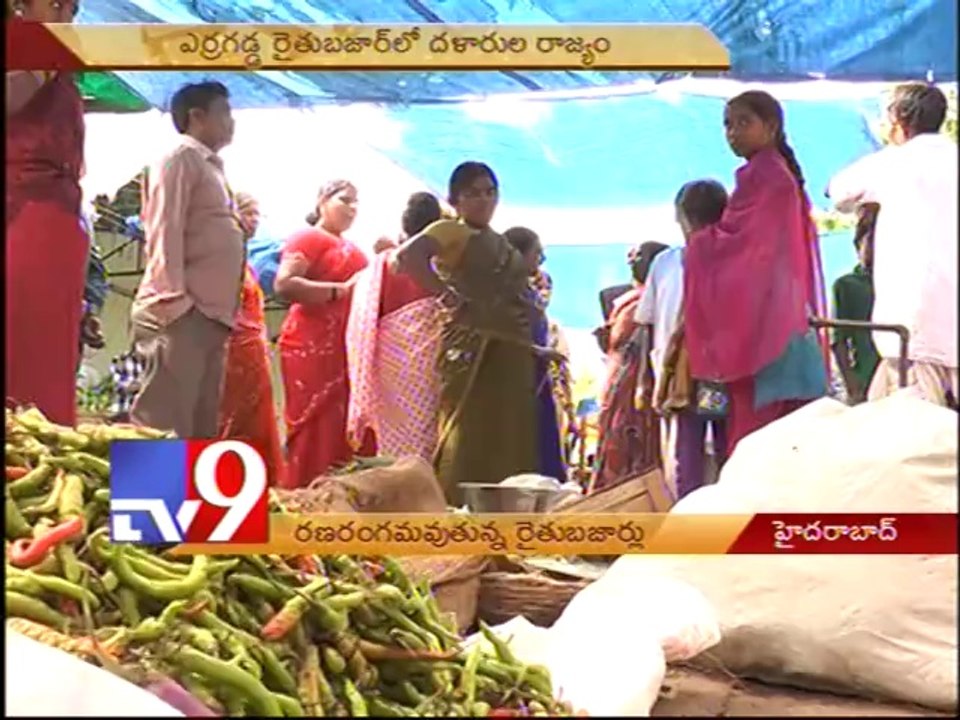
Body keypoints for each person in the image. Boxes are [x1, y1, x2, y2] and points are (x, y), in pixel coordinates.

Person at [683, 90, 829, 455]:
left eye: (744, 123)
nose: (733, 132)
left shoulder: (769, 178)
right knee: (784, 443)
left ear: (772, 126)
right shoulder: (768, 175)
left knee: (758, 444)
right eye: (727, 125)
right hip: (782, 324)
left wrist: (700, 243)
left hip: (769, 330)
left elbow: (748, 251)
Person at [396, 161, 550, 504]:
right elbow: (409, 256)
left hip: (513, 354)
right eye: (473, 193)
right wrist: (446, 294)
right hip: (473, 351)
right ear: (456, 199)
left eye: (490, 192)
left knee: (511, 434)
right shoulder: (452, 231)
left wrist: (538, 349)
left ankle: (508, 518)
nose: (484, 200)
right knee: (466, 436)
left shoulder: (498, 240)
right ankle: (456, 514)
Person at [827, 83, 957, 408]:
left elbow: (837, 192)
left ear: (897, 119)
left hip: (914, 333)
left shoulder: (892, 162)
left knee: (908, 443)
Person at [130, 81, 245, 439]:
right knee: (160, 426)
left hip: (208, 317)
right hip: (179, 314)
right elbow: (165, 226)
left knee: (198, 428)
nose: (232, 121)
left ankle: (187, 497)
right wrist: (173, 301)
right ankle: (148, 497)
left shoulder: (210, 166)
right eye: (224, 112)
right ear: (197, 117)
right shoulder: (181, 157)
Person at [6, 0, 87, 425]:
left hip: (58, 215)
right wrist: (41, 64)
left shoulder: (59, 60)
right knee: (24, 339)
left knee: (52, 347)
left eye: (72, 8)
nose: (66, 16)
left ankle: (47, 449)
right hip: (25, 209)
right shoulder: (29, 47)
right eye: (55, 4)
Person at [275, 180, 373, 487]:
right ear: (322, 201)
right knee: (316, 424)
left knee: (346, 422)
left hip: (348, 348)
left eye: (357, 202)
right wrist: (339, 291)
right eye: (345, 200)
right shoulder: (307, 237)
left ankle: (344, 497)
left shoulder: (357, 250)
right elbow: (284, 285)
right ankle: (305, 494)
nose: (352, 208)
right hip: (310, 344)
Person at [643, 181, 730, 500]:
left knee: (688, 452)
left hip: (696, 379)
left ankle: (690, 522)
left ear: (682, 217)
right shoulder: (669, 261)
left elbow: (655, 326)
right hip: (710, 378)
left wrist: (654, 380)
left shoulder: (671, 262)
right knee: (714, 447)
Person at [346, 191, 444, 462]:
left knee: (395, 437)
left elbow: (366, 320)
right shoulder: (442, 266)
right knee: (430, 434)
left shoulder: (380, 266)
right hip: (431, 365)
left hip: (390, 363)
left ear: (404, 225)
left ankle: (397, 488)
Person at [217, 193, 287, 487]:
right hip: (227, 353)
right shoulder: (216, 252)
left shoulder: (247, 262)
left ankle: (250, 490)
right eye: (249, 212)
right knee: (225, 423)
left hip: (250, 356)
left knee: (251, 423)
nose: (254, 221)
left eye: (258, 214)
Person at [592, 242, 668, 492]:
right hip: (627, 387)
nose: (635, 262)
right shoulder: (628, 301)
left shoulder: (643, 302)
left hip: (639, 386)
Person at [503, 226, 566, 481]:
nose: (541, 260)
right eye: (536, 253)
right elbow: (501, 337)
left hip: (536, 377)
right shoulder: (504, 291)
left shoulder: (525, 288)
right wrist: (540, 352)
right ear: (517, 254)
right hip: (516, 380)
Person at [831, 203, 881, 404]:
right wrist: (853, 387)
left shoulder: (905, 282)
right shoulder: (847, 285)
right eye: (870, 241)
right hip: (865, 381)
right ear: (857, 245)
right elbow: (838, 341)